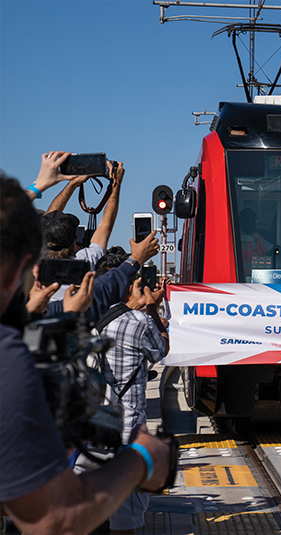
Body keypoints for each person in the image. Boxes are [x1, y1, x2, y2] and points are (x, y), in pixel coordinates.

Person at [0, 173, 172, 535]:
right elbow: (56, 520)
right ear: (24, 267)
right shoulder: (10, 356)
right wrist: (145, 458)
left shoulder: (22, 333)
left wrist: (41, 187)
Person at [77, 252, 169, 535]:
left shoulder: (82, 313)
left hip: (89, 430)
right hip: (126, 432)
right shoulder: (136, 323)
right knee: (126, 516)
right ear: (131, 283)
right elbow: (162, 348)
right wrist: (153, 308)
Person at [43, 157, 125, 270]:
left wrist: (72, 184)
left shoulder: (34, 262)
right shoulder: (85, 261)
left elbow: (49, 219)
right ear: (74, 242)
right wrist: (116, 182)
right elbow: (105, 226)